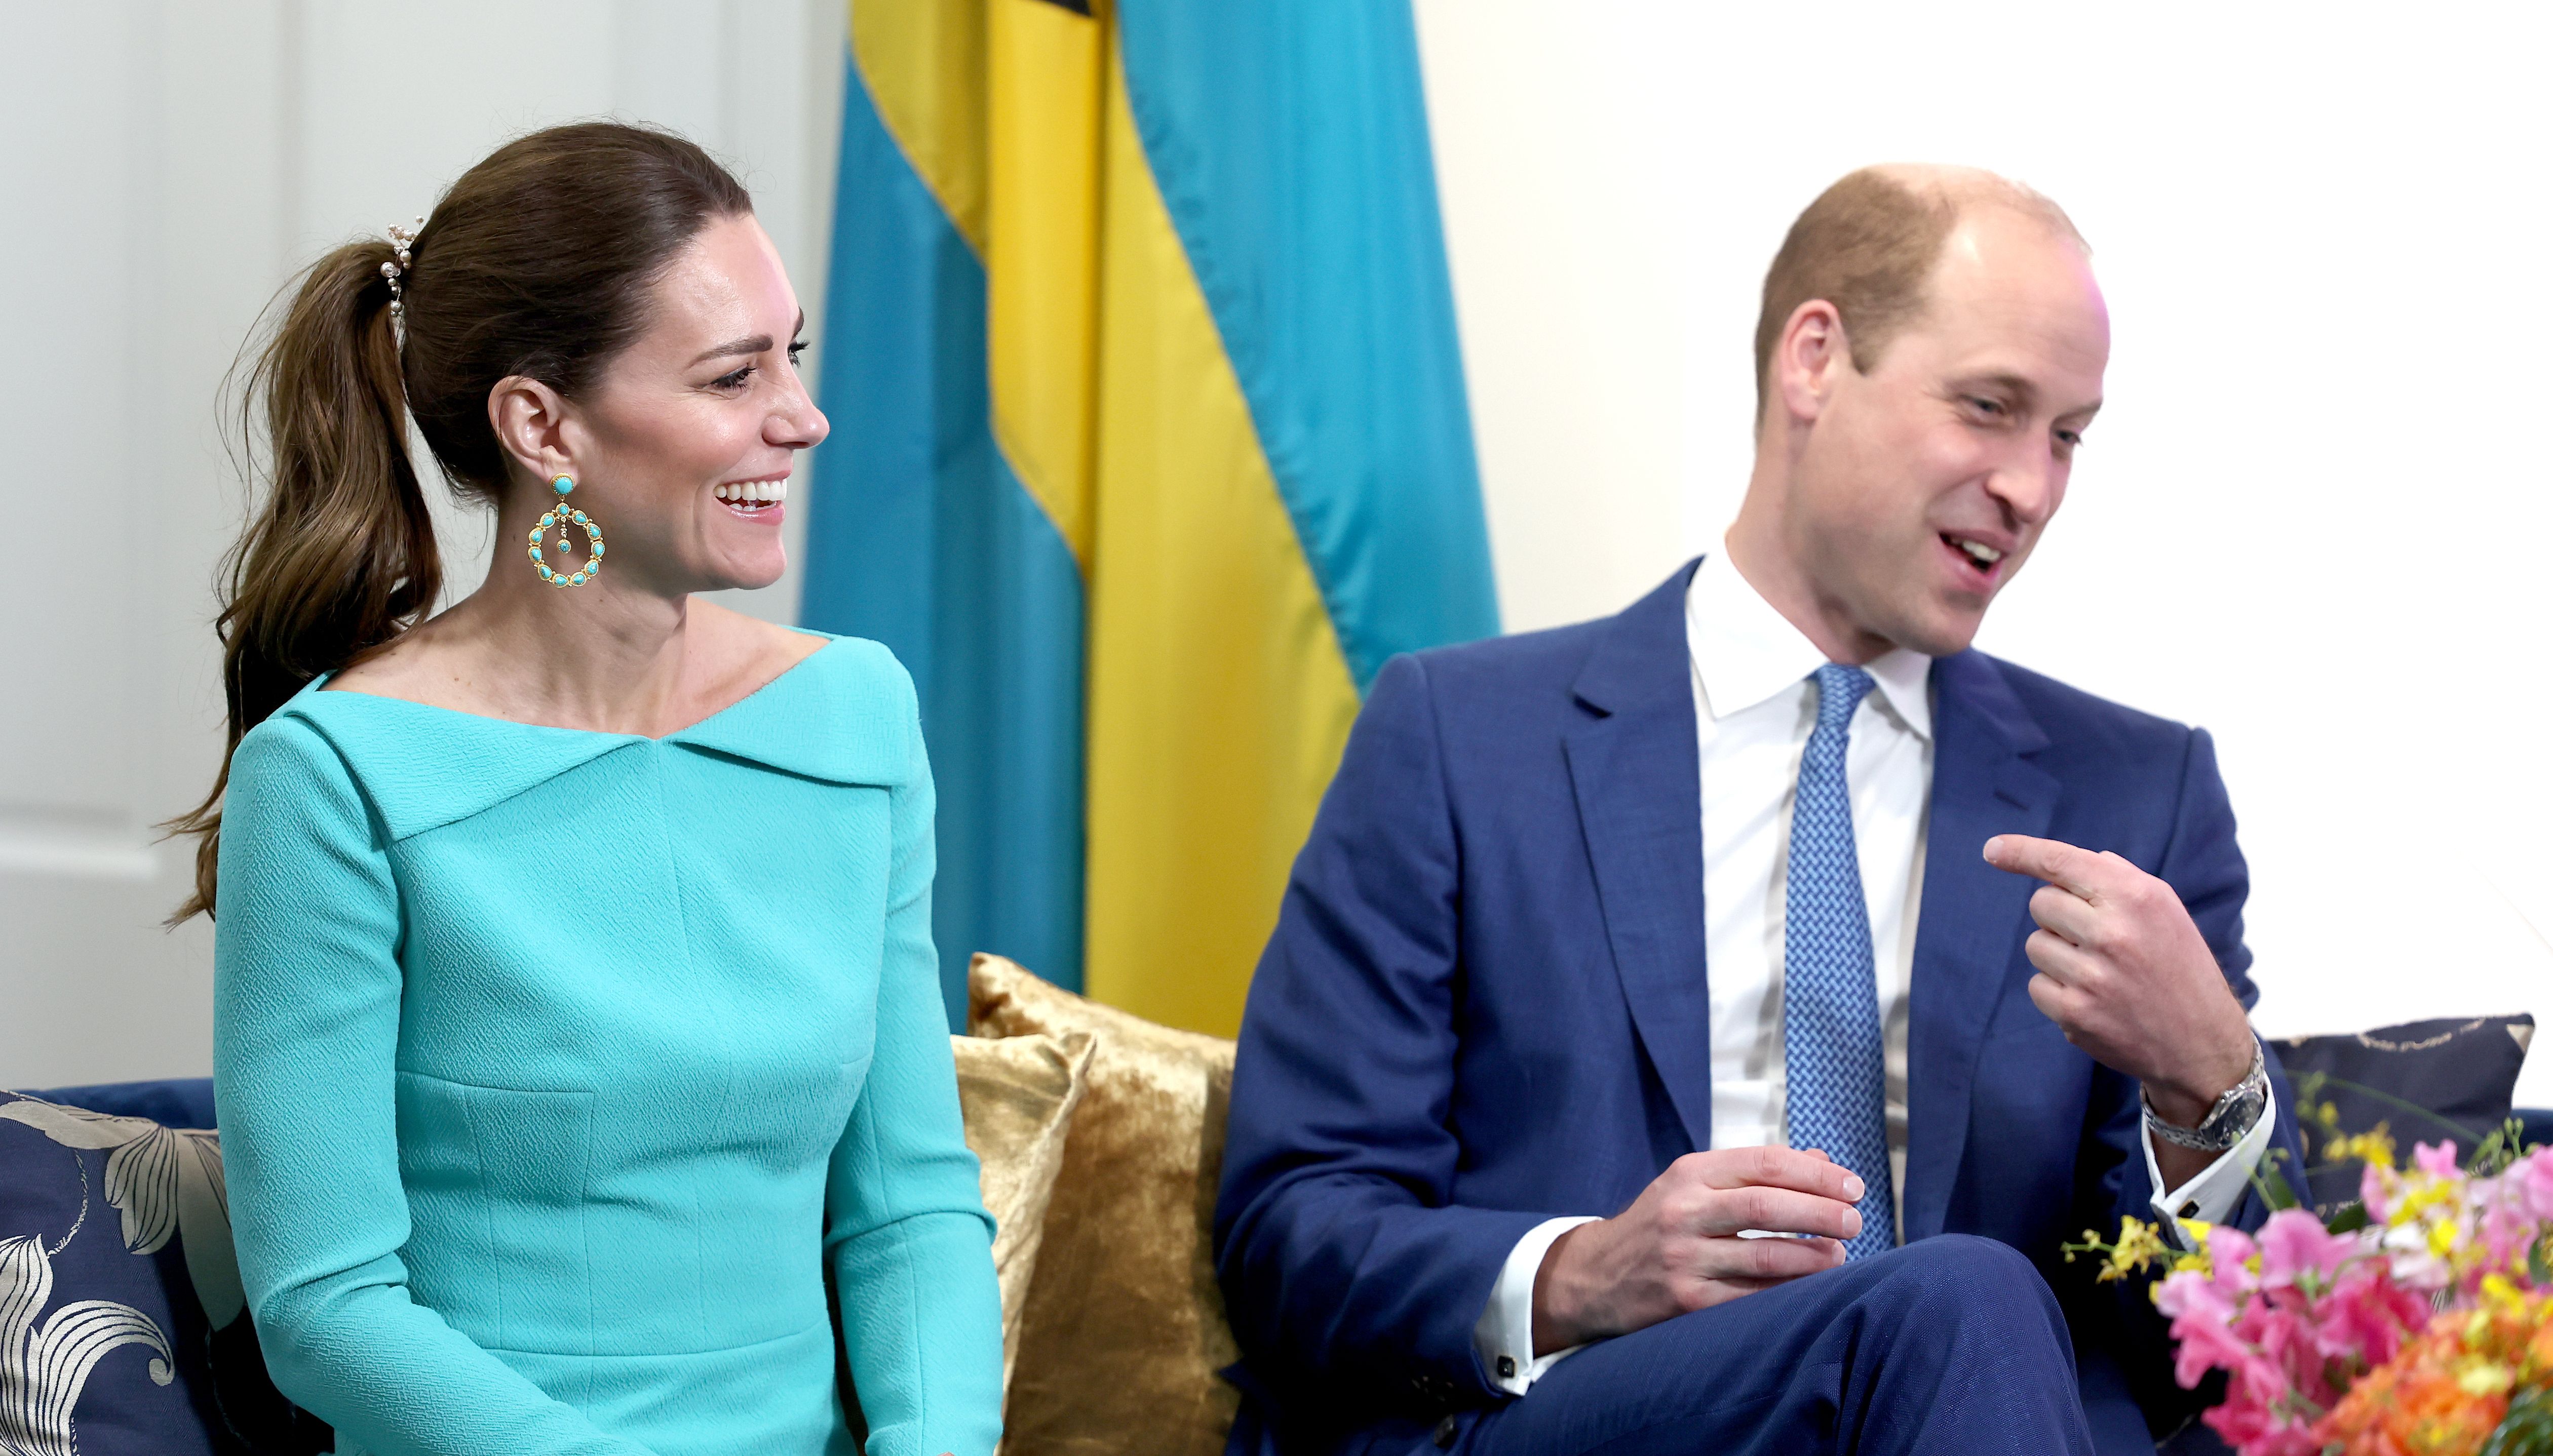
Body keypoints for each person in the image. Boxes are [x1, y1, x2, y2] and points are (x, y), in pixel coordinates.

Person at [1213, 165, 2309, 1456]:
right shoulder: (1458, 741)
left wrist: (2212, 1082)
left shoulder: (2137, 794)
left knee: (1965, 1306)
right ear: (1814, 359)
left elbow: (2232, 1352)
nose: (2032, 488)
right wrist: (1585, 1271)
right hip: (1585, 1421)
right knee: (1959, 1289)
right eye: (1990, 407)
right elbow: (1294, 1227)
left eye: (2067, 436)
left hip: (1982, 1415)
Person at [172, 123, 1001, 1456]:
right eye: (733, 375)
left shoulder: (857, 715)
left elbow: (909, 1207)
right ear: (541, 423)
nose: (801, 417)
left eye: (792, 355)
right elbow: (329, 1306)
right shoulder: (332, 779)